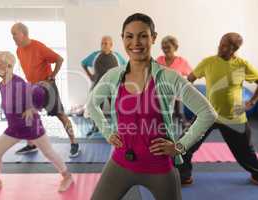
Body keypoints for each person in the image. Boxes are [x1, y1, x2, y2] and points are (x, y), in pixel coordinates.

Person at [87, 13, 217, 200]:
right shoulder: (113, 76)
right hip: (120, 163)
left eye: (143, 35)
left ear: (153, 38)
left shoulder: (169, 77)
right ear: (122, 38)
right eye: (129, 36)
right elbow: (92, 105)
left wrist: (180, 146)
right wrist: (107, 133)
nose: (136, 42)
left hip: (159, 169)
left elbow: (208, 113)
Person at [0, 51, 73, 194]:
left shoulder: (18, 83)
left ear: (8, 66)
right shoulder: (1, 84)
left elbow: (40, 92)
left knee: (48, 152)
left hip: (32, 127)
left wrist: (34, 108)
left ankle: (67, 176)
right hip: (14, 128)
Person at [178, 32, 258, 186]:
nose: (220, 47)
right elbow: (189, 80)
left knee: (245, 154)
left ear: (234, 49)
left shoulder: (242, 65)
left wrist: (252, 101)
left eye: (225, 46)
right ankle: (184, 175)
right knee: (184, 144)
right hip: (207, 114)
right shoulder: (208, 62)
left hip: (233, 117)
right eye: (220, 43)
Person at [11, 23, 80, 157]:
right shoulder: (18, 50)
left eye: (14, 33)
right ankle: (31, 144)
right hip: (32, 88)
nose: (12, 37)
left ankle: (74, 143)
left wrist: (52, 76)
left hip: (47, 88)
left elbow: (59, 59)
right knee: (26, 114)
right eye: (12, 34)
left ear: (23, 33)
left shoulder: (38, 47)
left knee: (60, 115)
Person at [81, 36, 126, 136]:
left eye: (106, 43)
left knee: (114, 107)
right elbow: (83, 63)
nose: (103, 45)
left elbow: (126, 66)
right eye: (102, 43)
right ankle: (95, 126)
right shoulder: (95, 55)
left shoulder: (117, 56)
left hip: (112, 87)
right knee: (95, 107)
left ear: (111, 45)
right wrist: (90, 76)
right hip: (98, 86)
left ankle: (117, 128)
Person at [156, 35, 192, 128]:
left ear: (175, 47)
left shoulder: (181, 61)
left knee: (180, 116)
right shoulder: (159, 60)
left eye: (168, 47)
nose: (165, 50)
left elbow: (191, 77)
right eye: (163, 47)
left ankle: (189, 138)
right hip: (162, 94)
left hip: (176, 95)